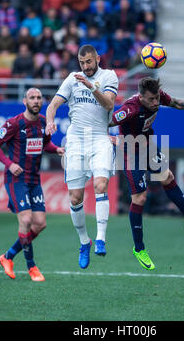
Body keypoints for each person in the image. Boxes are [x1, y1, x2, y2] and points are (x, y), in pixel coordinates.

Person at [109, 77, 184, 270]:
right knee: (139, 199)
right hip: (129, 152)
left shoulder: (158, 97)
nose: (155, 102)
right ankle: (139, 248)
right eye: (151, 99)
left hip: (148, 145)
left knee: (167, 177)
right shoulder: (130, 109)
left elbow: (176, 103)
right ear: (141, 97)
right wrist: (109, 137)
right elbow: (107, 121)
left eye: (157, 98)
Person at [45, 44, 118, 269]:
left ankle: (101, 239)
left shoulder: (109, 76)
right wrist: (49, 120)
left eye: (88, 62)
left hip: (99, 138)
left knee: (101, 184)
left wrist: (91, 86)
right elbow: (54, 104)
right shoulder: (72, 78)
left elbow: (109, 103)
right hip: (76, 140)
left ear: (97, 58)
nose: (85, 66)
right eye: (82, 63)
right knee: (75, 198)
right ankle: (84, 242)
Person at [0, 87, 65, 281]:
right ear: (25, 101)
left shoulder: (42, 122)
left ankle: (8, 256)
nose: (36, 101)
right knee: (26, 220)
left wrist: (56, 150)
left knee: (40, 224)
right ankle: (32, 268)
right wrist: (9, 164)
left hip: (34, 179)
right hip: (16, 179)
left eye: (39, 98)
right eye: (32, 98)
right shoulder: (14, 123)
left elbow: (45, 144)